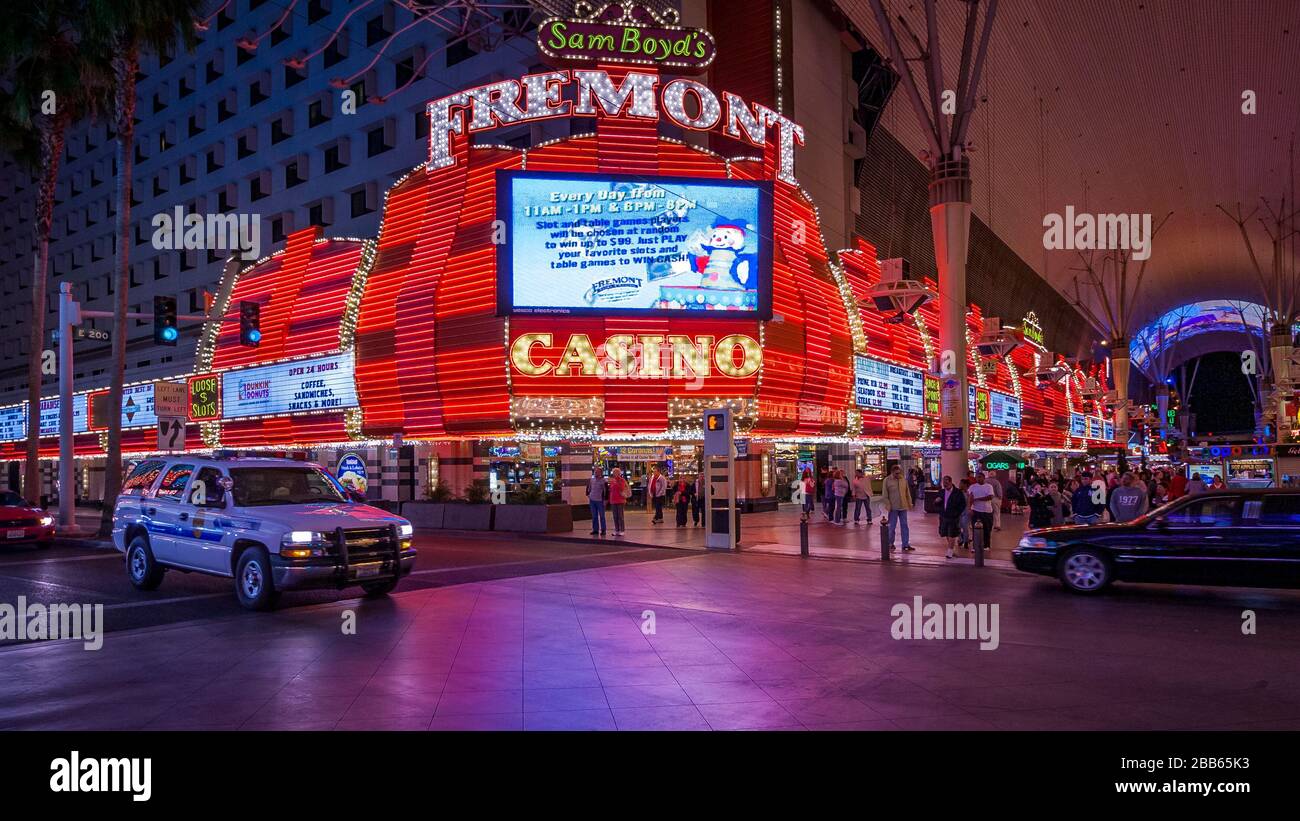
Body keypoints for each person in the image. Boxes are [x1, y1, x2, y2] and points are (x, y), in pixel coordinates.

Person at [882, 465, 913, 552]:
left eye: (899, 473)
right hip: (893, 508)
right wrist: (888, 505)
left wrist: (909, 503)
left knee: (904, 526)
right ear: (892, 472)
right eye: (896, 473)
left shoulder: (903, 480)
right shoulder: (887, 480)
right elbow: (884, 495)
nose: (898, 475)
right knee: (892, 526)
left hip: (903, 507)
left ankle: (905, 544)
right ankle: (890, 543)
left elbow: (907, 492)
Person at [938, 475, 966, 558]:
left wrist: (957, 513)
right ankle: (952, 549)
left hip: (953, 516)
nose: (945, 485)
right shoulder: (942, 492)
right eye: (944, 483)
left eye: (946, 483)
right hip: (944, 516)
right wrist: (937, 502)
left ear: (951, 482)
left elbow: (963, 504)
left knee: (952, 534)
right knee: (946, 533)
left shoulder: (958, 492)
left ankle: (949, 552)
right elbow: (937, 503)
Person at [968, 472, 996, 551]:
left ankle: (986, 545)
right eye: (977, 477)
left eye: (980, 477)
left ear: (984, 478)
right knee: (975, 529)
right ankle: (975, 546)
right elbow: (970, 498)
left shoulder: (988, 486)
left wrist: (977, 499)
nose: (978, 479)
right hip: (976, 510)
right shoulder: (972, 487)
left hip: (987, 511)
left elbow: (990, 497)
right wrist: (969, 508)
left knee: (987, 529)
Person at [586, 467, 608, 537]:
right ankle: (595, 530)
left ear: (601, 473)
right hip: (592, 500)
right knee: (594, 516)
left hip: (600, 501)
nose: (596, 473)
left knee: (602, 516)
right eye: (595, 472)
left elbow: (606, 491)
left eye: (598, 472)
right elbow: (588, 488)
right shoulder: (591, 480)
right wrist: (588, 495)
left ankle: (603, 530)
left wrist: (605, 500)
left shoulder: (604, 481)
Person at [608, 467, 630, 537]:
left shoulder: (622, 480)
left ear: (619, 473)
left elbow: (622, 488)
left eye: (616, 472)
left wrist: (616, 482)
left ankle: (622, 530)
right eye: (614, 472)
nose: (615, 474)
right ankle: (617, 530)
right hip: (613, 500)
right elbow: (611, 490)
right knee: (615, 516)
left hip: (620, 500)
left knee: (620, 516)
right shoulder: (612, 481)